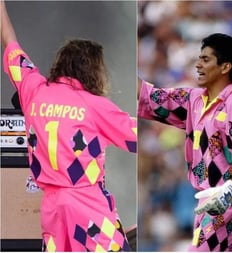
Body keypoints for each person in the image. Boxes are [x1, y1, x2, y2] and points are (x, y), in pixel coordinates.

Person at [1, 1, 137, 251]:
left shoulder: (35, 91)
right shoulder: (94, 106)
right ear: (93, 70)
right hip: (89, 208)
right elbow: (137, 136)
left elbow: (10, 42)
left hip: (52, 211)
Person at [138, 33, 232, 251]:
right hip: (205, 198)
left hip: (230, 198)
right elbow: (150, 97)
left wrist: (228, 189)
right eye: (199, 59)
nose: (198, 65)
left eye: (206, 59)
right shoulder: (194, 100)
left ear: (225, 67)